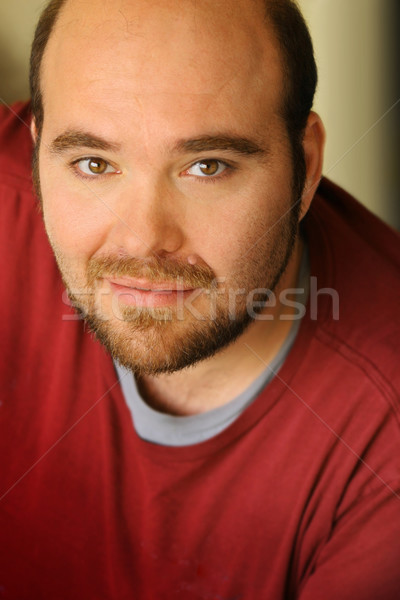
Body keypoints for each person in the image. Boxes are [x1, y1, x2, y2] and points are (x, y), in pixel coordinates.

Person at [0, 0, 399, 598]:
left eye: (207, 166)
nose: (143, 239)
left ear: (307, 166)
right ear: (37, 152)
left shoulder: (382, 447)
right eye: (93, 163)